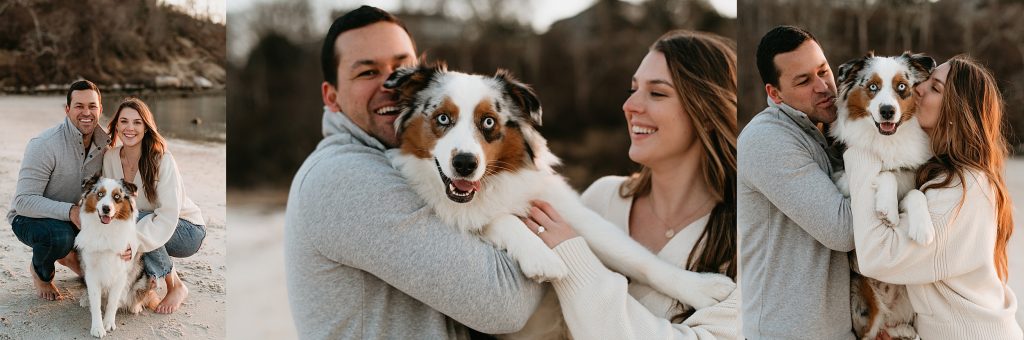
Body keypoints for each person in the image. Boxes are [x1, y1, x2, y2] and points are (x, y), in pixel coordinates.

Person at [283, 6, 545, 339]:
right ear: (331, 96)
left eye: (402, 67)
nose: (392, 85)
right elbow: (504, 304)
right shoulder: (344, 178)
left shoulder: (408, 166)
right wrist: (543, 240)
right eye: (367, 73)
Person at [521, 30, 739, 339]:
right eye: (633, 89)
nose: (630, 105)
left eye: (657, 93)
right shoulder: (602, 198)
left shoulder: (745, 236)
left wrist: (575, 261)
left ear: (705, 112)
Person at [844, 55, 1023, 339]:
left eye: (934, 88)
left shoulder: (965, 187)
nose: (918, 89)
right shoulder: (944, 174)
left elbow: (878, 256)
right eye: (925, 81)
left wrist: (861, 153)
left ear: (956, 110)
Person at [737, 25, 856, 339]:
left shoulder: (828, 130)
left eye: (823, 70)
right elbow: (843, 230)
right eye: (803, 81)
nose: (823, 87)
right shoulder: (766, 140)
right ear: (774, 93)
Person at [102, 97, 207, 314]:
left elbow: (168, 215)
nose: (130, 128)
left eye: (137, 122)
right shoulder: (110, 158)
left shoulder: (162, 160)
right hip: (146, 224)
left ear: (146, 127)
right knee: (125, 221)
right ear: (116, 126)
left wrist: (132, 240)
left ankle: (176, 286)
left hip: (186, 229)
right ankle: (149, 278)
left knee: (136, 220)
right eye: (124, 122)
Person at [9, 80, 110, 301]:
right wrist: (71, 211)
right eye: (79, 106)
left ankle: (70, 256)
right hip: (31, 219)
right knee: (58, 237)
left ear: (100, 109)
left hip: (77, 220)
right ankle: (41, 273)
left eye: (92, 106)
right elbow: (23, 202)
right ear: (67, 110)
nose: (86, 112)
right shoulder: (44, 144)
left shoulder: (106, 146)